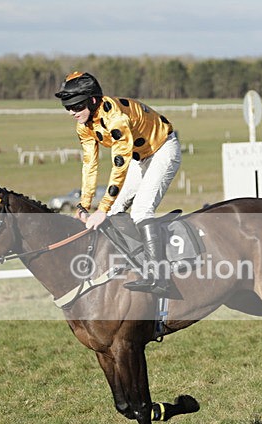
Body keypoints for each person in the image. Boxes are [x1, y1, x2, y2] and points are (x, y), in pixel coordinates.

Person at [55, 71, 182, 296]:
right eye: (68, 108)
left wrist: (100, 209)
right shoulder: (84, 125)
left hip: (162, 150)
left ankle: (159, 276)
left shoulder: (116, 119)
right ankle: (134, 263)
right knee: (114, 212)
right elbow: (90, 165)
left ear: (93, 101)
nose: (71, 112)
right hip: (139, 156)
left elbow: (119, 166)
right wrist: (84, 205)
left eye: (76, 107)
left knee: (141, 210)